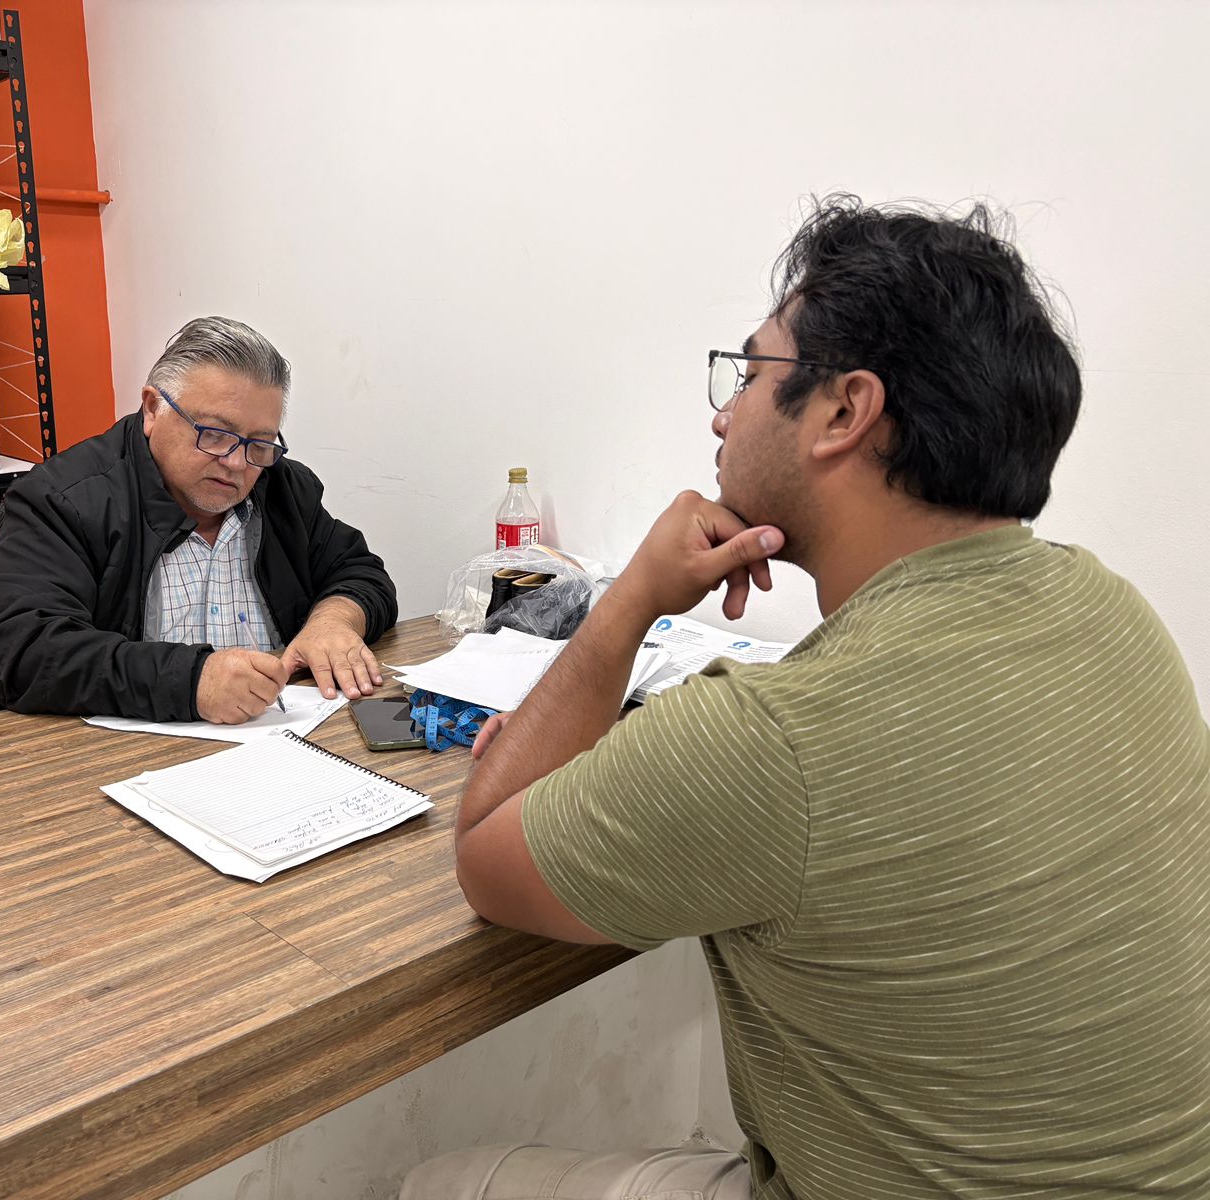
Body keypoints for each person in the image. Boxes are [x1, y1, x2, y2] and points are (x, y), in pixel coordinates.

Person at [405, 197, 1210, 1199]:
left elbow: (486, 859)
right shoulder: (1112, 609)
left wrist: (631, 601)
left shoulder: (776, 738)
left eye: (748, 375)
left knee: (439, 1181)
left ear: (843, 412)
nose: (723, 413)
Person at [0, 316, 397, 724]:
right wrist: (191, 681)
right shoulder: (64, 498)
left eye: (259, 444)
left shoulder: (282, 488)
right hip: (102, 754)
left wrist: (334, 622)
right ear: (152, 409)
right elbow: (21, 648)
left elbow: (359, 572)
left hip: (273, 737)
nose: (237, 463)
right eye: (215, 434)